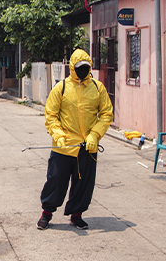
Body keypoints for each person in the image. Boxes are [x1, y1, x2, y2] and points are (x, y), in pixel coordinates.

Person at [37, 49, 114, 230]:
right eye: (79, 67)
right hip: (63, 146)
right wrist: (58, 135)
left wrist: (95, 134)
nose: (83, 70)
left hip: (87, 146)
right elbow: (51, 115)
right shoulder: (61, 88)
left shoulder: (97, 88)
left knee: (83, 183)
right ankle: (47, 213)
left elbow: (106, 114)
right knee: (55, 181)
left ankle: (76, 214)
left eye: (86, 67)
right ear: (72, 67)